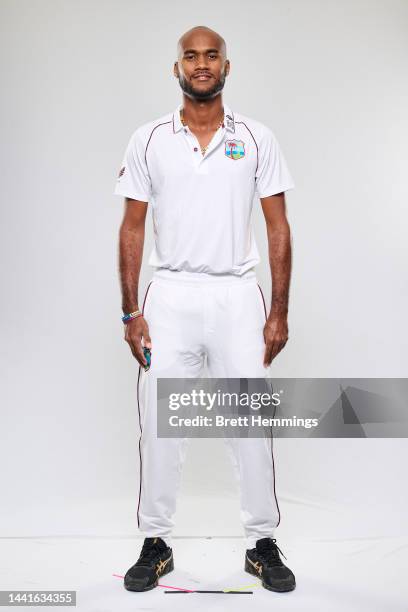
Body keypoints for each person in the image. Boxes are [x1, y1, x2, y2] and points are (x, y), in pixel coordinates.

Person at [114, 25, 296, 594]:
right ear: (176, 69)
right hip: (169, 295)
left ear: (226, 66)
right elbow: (132, 229)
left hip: (238, 295)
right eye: (190, 56)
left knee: (250, 424)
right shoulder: (149, 140)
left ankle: (262, 543)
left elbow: (278, 228)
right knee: (162, 427)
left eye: (210, 55)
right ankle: (155, 541)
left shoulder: (257, 138)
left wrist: (279, 312)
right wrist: (130, 313)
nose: (200, 64)